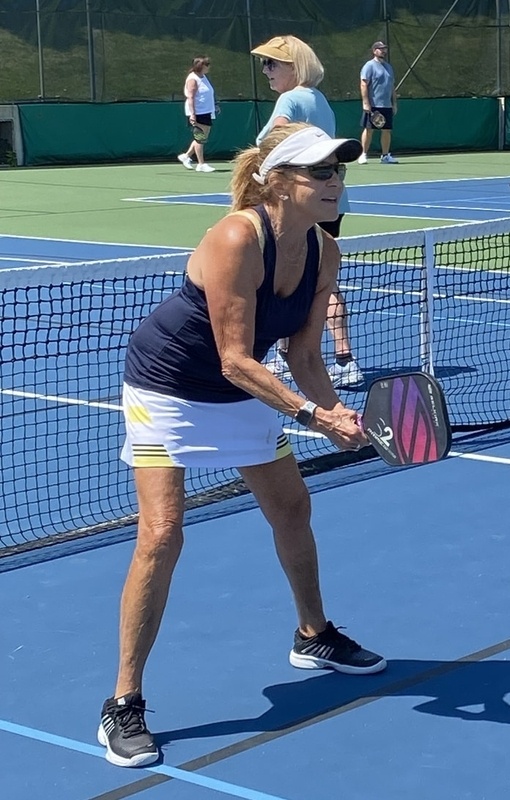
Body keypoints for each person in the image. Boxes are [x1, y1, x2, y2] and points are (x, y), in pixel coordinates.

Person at [98, 123, 383, 769]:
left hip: (245, 389)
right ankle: (124, 702)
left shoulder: (324, 252)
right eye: (322, 173)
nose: (336, 183)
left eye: (340, 171)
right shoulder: (236, 237)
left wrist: (338, 411)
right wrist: (315, 415)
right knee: (163, 533)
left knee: (292, 509)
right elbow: (233, 358)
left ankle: (314, 636)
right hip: (167, 386)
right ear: (280, 182)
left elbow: (304, 354)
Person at [251, 34, 364, 388]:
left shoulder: (291, 98)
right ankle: (332, 357)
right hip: (330, 203)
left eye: (272, 64)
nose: (266, 70)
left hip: (300, 204)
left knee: (292, 279)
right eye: (264, 63)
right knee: (317, 278)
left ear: (293, 67)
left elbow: (279, 135)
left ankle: (332, 358)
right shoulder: (320, 101)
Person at [358, 41, 397, 164]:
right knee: (369, 130)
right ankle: (363, 154)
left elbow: (392, 87)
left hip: (387, 105)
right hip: (373, 105)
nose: (383, 51)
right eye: (380, 49)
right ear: (374, 51)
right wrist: (366, 102)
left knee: (387, 130)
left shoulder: (388, 67)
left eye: (384, 49)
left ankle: (385, 156)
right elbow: (364, 84)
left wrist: (394, 103)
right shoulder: (369, 66)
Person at [177, 56, 217, 173]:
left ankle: (186, 156)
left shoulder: (203, 77)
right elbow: (191, 97)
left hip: (206, 111)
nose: (208, 67)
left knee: (202, 137)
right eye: (206, 65)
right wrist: (193, 114)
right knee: (200, 138)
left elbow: (206, 94)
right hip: (197, 112)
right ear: (201, 66)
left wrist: (214, 105)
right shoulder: (192, 79)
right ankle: (201, 164)